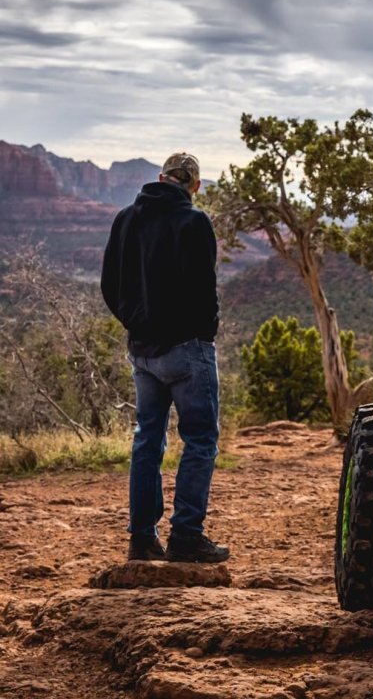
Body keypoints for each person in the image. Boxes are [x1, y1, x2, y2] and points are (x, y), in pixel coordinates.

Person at [101, 152, 229, 563]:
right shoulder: (194, 222)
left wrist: (136, 325)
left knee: (147, 440)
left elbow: (109, 285)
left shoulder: (125, 218)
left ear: (160, 177)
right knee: (200, 440)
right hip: (187, 349)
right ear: (194, 185)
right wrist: (203, 335)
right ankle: (186, 537)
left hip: (143, 352)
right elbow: (205, 288)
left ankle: (142, 539)